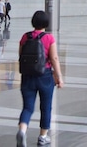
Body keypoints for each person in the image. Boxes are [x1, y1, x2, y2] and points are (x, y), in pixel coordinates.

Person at [16, 10, 64, 147]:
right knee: (46, 107)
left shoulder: (25, 37)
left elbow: (20, 55)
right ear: (46, 23)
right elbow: (54, 58)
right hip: (45, 76)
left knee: (28, 107)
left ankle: (22, 130)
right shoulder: (49, 38)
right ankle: (43, 136)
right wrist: (59, 76)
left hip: (27, 76)